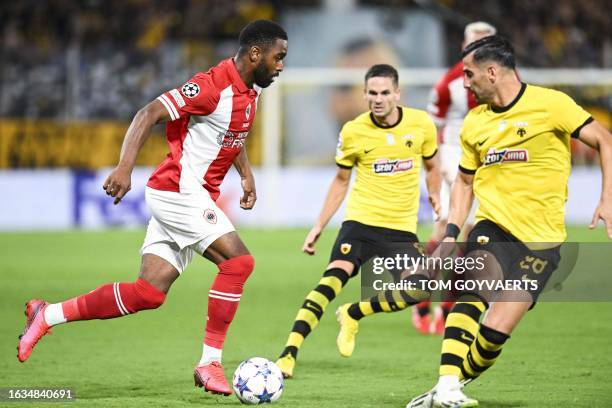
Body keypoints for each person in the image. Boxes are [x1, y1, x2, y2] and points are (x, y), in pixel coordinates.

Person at [17, 20, 288, 397]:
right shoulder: (212, 85)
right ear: (255, 54)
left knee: (147, 293)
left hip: (189, 196)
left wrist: (245, 175)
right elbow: (147, 113)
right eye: (279, 57)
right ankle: (210, 362)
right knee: (239, 263)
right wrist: (125, 167)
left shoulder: (251, 90)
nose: (281, 66)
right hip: (178, 192)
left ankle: (46, 315)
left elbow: (232, 134)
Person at [406, 34, 612, 408]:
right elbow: (466, 182)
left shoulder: (551, 104)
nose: (464, 83)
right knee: (474, 288)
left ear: (492, 72)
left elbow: (604, 139)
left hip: (543, 241)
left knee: (493, 337)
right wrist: (453, 231)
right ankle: (449, 383)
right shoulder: (474, 123)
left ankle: (447, 388)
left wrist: (607, 198)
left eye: (469, 75)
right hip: (494, 227)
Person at [276, 64, 442, 378]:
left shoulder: (421, 124)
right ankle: (288, 355)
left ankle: (354, 313)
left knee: (420, 289)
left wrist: (435, 196)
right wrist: (318, 226)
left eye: (384, 93)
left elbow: (433, 167)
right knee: (328, 284)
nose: (378, 99)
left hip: (400, 231)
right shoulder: (353, 131)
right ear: (364, 94)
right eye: (372, 93)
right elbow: (340, 181)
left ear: (397, 93)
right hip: (360, 225)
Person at [413, 21, 497, 336]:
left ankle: (446, 306)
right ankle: (422, 300)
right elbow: (431, 129)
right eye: (474, 41)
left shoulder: (505, 80)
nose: (479, 47)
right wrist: (442, 166)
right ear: (463, 45)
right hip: (453, 156)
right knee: (449, 227)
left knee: (470, 235)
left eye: (485, 41)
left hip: (487, 161)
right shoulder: (449, 83)